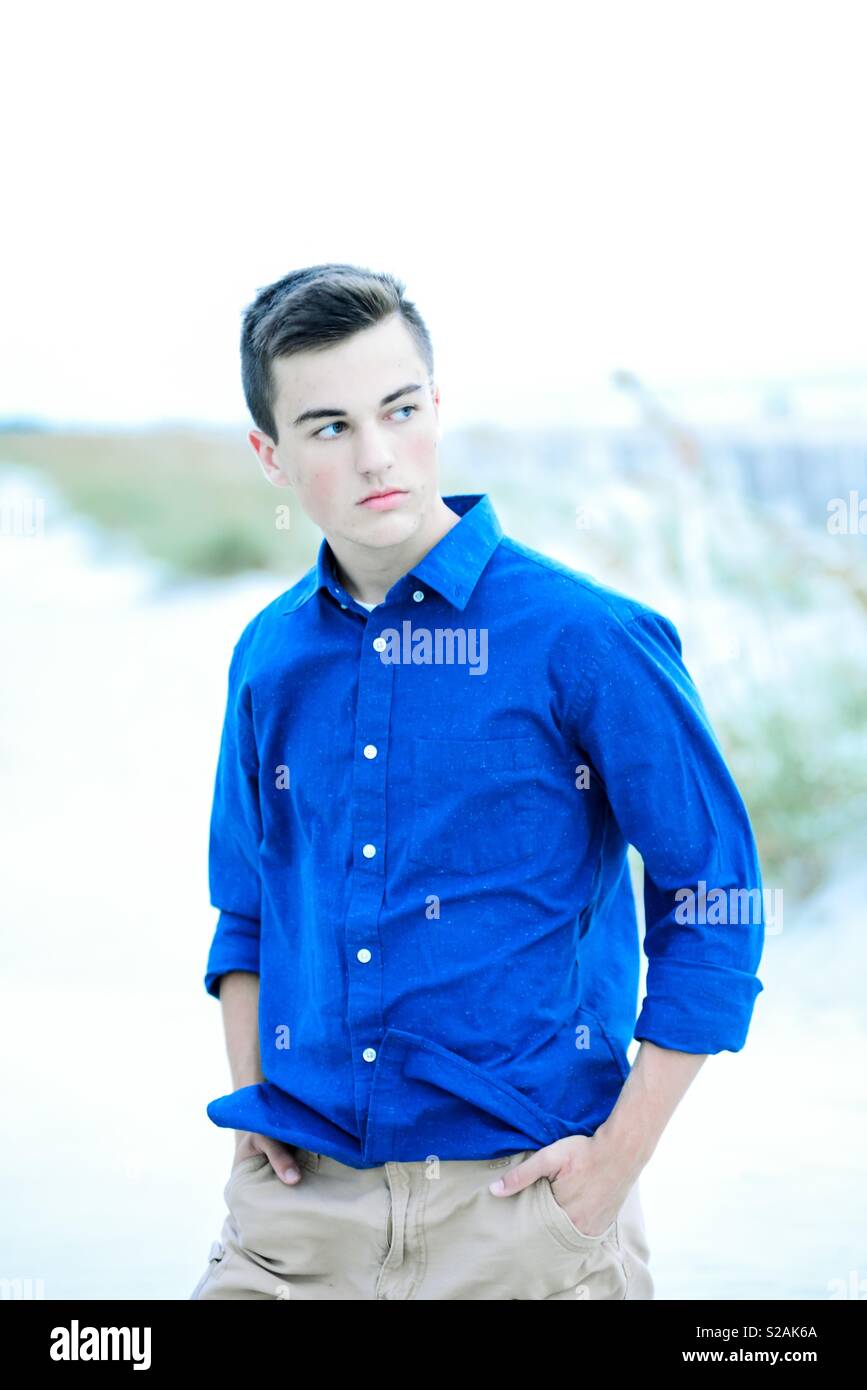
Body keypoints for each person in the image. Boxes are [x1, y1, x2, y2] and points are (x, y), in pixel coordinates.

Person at [189, 263, 765, 1301]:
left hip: (523, 1215)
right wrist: (252, 1104)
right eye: (327, 427)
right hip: (298, 1218)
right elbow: (247, 910)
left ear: (435, 408)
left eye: (399, 410)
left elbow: (717, 903)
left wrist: (614, 1166)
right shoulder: (270, 656)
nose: (377, 456)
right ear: (269, 455)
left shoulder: (586, 638)